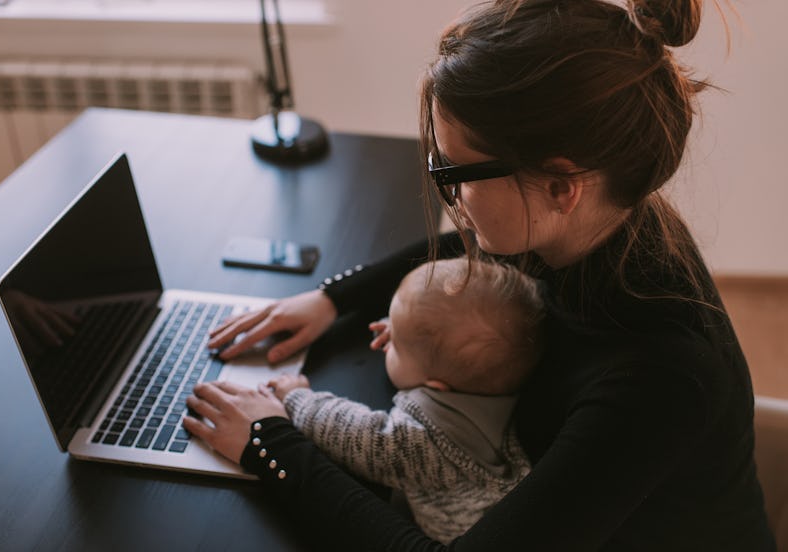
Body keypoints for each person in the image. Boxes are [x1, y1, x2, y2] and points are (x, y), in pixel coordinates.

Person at [183, 0, 776, 549]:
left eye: (457, 172)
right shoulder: (602, 219)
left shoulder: (660, 378)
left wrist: (269, 441)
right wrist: (331, 299)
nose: (450, 192)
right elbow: (481, 246)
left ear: (561, 186)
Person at [264, 257, 544, 544]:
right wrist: (411, 337)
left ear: (435, 385)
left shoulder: (424, 444)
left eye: (396, 343)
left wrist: (297, 399)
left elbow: (355, 436)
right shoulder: (495, 387)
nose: (389, 344)